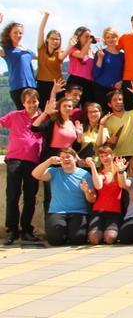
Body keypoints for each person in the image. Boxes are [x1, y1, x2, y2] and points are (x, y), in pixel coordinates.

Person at [1, 88, 44, 245]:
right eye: (28, 102)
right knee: (13, 195)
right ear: (23, 103)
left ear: (38, 101)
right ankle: (12, 231)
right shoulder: (14, 115)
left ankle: (26, 230)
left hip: (33, 161)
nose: (32, 104)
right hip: (14, 159)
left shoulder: (43, 118)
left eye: (34, 101)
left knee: (30, 197)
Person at [32, 148, 95, 246]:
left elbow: (92, 199)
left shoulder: (85, 174)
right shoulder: (54, 171)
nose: (65, 159)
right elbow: (35, 174)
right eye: (62, 158)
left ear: (75, 159)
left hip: (78, 212)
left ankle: (69, 234)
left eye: (68, 157)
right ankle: (63, 234)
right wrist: (49, 161)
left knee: (78, 240)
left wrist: (87, 191)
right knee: (55, 240)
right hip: (57, 211)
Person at [101, 82, 133, 158]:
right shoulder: (107, 120)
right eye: (114, 100)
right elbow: (104, 144)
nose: (118, 102)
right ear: (109, 104)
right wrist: (109, 141)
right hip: (117, 158)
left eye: (120, 99)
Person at [86, 147, 122, 245]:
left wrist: (121, 170)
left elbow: (123, 183)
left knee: (110, 238)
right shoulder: (100, 173)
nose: (104, 158)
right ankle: (100, 233)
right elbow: (98, 186)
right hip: (98, 211)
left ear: (112, 155)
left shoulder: (119, 170)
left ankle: (106, 233)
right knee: (94, 239)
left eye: (106, 155)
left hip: (115, 211)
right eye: (101, 156)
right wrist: (93, 166)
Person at [0, 15, 37, 109]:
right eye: (15, 32)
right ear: (9, 34)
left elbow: (43, 57)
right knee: (23, 113)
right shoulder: (6, 49)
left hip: (32, 86)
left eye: (20, 33)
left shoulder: (27, 51)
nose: (18, 35)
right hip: (18, 87)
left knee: (33, 113)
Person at [36, 11, 68, 109]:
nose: (55, 41)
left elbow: (62, 57)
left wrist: (70, 45)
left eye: (57, 39)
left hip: (57, 84)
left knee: (58, 109)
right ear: (47, 39)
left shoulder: (60, 52)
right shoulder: (41, 48)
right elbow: (41, 31)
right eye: (52, 39)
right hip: (42, 83)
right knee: (44, 108)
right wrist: (46, 16)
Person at [92, 27, 124, 111]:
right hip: (100, 88)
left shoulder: (122, 55)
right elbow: (95, 74)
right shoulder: (100, 53)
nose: (110, 39)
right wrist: (100, 58)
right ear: (104, 39)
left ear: (117, 38)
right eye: (108, 37)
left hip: (115, 91)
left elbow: (125, 72)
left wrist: (121, 81)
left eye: (113, 37)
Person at [65, 26, 95, 107]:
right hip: (76, 81)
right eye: (86, 36)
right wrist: (90, 41)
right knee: (73, 105)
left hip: (89, 82)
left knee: (88, 106)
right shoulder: (73, 49)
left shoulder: (91, 52)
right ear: (79, 37)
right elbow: (81, 55)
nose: (88, 38)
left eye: (90, 36)